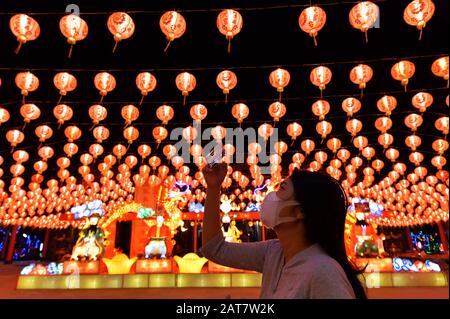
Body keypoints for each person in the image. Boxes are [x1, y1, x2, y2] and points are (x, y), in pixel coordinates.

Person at [201, 163, 366, 299]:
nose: (271, 196)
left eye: (281, 189)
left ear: (298, 211)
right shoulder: (274, 253)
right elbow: (214, 249)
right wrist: (213, 188)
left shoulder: (324, 272)